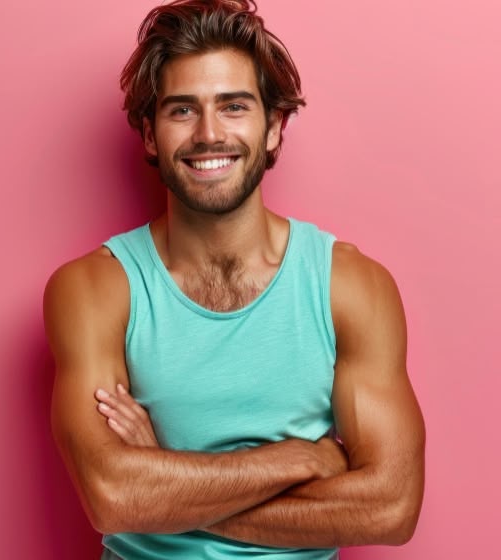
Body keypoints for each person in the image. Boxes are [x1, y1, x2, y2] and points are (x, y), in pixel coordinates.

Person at [43, 1, 425, 558]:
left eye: (234, 106)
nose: (209, 133)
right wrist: (298, 459)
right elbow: (114, 497)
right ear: (149, 135)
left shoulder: (350, 286)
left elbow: (390, 510)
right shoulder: (95, 289)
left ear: (273, 127)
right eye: (181, 111)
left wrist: (167, 486)